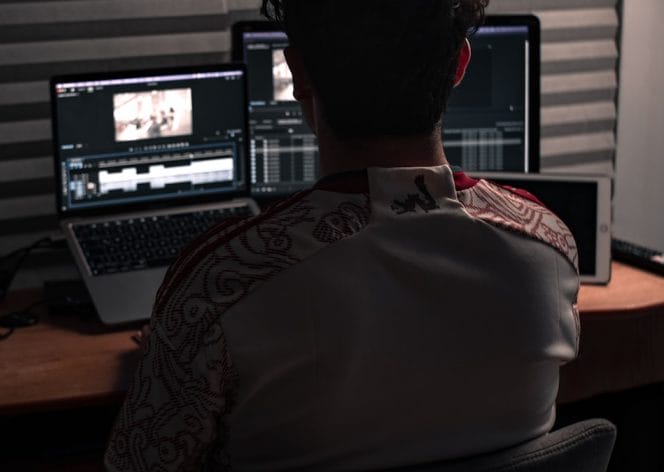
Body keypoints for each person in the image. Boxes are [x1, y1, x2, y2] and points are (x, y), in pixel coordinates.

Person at [104, 1, 579, 470]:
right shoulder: (549, 246)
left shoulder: (219, 283)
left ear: (299, 75)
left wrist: (179, 348)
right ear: (459, 64)